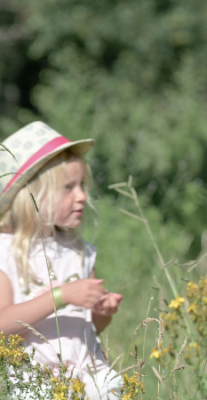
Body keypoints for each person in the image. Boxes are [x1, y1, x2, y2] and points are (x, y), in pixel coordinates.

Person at [0, 121, 123, 399]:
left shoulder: (78, 250)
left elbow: (90, 326)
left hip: (90, 377)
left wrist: (102, 311)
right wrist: (61, 295)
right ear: (32, 194)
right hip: (37, 383)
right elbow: (2, 324)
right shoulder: (5, 251)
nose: (81, 196)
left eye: (81, 185)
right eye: (68, 187)